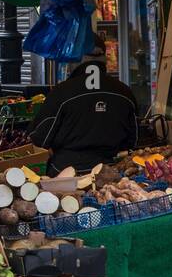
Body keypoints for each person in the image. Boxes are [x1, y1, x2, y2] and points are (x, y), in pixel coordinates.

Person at [29, 37, 138, 176]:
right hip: (114, 171)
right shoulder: (124, 92)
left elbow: (39, 138)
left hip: (66, 174)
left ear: (75, 59)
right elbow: (134, 140)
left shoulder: (61, 92)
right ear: (104, 59)